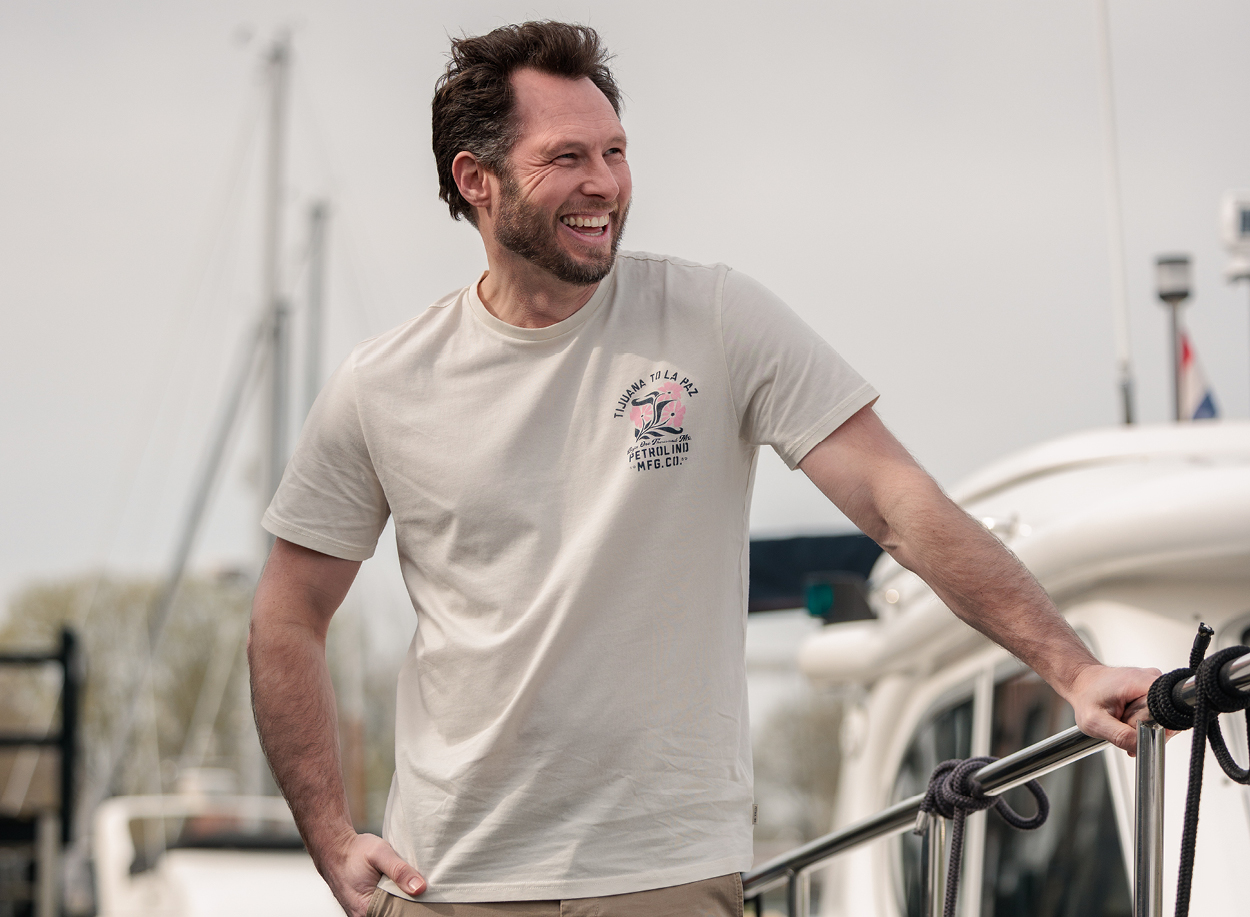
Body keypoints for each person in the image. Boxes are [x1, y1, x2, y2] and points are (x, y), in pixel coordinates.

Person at [247, 20, 1160, 917]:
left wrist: (1072, 669)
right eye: (567, 157)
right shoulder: (385, 383)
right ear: (475, 179)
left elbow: (895, 500)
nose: (605, 183)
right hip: (448, 883)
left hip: (664, 875)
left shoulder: (716, 319)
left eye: (616, 152)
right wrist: (330, 836)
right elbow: (288, 615)